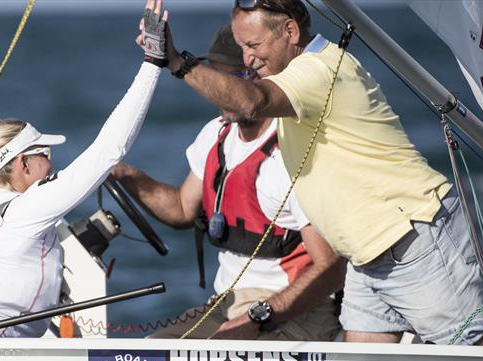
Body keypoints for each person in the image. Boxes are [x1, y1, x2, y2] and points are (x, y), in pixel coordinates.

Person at [136, 0, 483, 345]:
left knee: (480, 351)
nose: (247, 58)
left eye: (253, 44)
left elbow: (250, 101)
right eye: (242, 47)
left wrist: (176, 62)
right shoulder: (293, 84)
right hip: (365, 256)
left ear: (291, 31)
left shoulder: (316, 69)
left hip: (413, 240)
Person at [0, 3, 167, 338]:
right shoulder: (25, 208)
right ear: (22, 163)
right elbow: (109, 150)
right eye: (45, 153)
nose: (52, 162)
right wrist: (153, 63)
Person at [112, 24, 344, 340]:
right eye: (216, 77)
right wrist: (126, 175)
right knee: (151, 356)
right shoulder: (215, 135)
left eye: (233, 79)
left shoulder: (291, 152)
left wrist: (259, 319)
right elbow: (181, 209)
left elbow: (330, 267)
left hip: (294, 310)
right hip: (227, 302)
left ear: (263, 80)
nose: (220, 91)